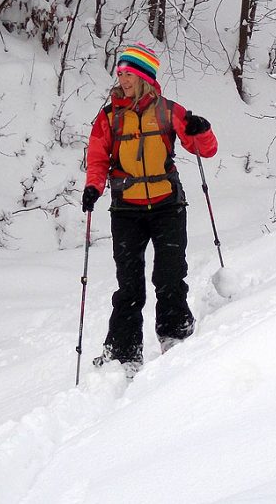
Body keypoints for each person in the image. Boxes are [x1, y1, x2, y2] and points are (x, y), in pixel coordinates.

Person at [81, 43, 218, 375]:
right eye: (120, 74)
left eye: (128, 74)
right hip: (126, 210)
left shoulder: (169, 110)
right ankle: (123, 354)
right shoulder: (109, 115)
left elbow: (204, 150)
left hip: (167, 206)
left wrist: (203, 130)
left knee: (169, 276)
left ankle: (175, 337)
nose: (123, 79)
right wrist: (93, 186)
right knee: (129, 284)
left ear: (143, 77)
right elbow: (98, 157)